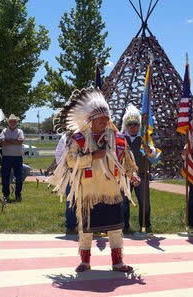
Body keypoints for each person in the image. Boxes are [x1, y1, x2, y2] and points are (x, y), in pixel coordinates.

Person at [49, 88, 140, 273]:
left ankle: (117, 262)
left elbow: (127, 163)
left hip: (112, 192)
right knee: (87, 230)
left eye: (107, 119)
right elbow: (71, 161)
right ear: (91, 120)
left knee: (115, 229)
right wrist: (92, 157)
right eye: (101, 119)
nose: (105, 121)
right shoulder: (79, 140)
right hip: (89, 192)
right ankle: (85, 262)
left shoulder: (119, 139)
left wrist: (132, 175)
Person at [121, 105, 159, 234]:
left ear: (139, 125)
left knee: (144, 203)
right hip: (124, 176)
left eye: (135, 124)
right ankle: (124, 226)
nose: (133, 127)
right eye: (130, 124)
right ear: (126, 125)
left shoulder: (144, 138)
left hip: (142, 175)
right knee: (123, 202)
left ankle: (145, 225)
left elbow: (154, 153)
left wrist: (149, 150)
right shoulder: (121, 138)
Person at [0, 114, 24, 202]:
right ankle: (5, 195)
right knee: (5, 176)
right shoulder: (4, 131)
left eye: (14, 121)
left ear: (16, 122)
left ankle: (18, 194)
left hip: (18, 157)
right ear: (8, 122)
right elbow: (2, 142)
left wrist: (8, 140)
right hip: (6, 157)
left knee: (19, 176)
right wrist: (15, 141)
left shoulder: (20, 131)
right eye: (11, 121)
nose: (13, 123)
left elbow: (21, 142)